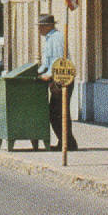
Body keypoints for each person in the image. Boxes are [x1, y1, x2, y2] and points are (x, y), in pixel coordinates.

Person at [37, 14, 78, 151]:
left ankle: (68, 143)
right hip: (55, 79)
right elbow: (47, 62)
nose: (39, 30)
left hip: (61, 79)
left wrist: (48, 75)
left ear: (48, 26)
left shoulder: (56, 38)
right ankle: (65, 142)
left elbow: (58, 61)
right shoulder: (49, 39)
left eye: (41, 26)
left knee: (58, 112)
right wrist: (38, 71)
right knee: (56, 112)